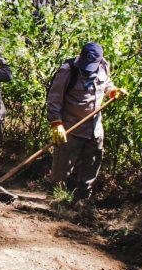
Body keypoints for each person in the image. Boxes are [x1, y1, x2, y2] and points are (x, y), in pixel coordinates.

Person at [47, 42, 127, 200]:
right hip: (71, 127)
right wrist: (57, 124)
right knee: (62, 166)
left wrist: (113, 91)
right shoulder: (68, 70)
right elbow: (53, 100)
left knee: (92, 161)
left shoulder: (104, 66)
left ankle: (83, 199)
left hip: (95, 127)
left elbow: (106, 85)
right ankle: (53, 197)